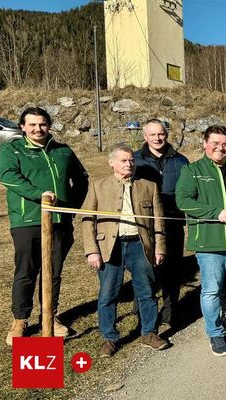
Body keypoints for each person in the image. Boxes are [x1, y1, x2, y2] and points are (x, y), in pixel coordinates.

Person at [0, 107, 89, 346]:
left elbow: (81, 178)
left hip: (60, 222)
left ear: (49, 125)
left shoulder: (62, 151)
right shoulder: (12, 150)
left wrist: (71, 206)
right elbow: (8, 176)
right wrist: (40, 196)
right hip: (27, 221)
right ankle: (20, 319)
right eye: (32, 125)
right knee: (26, 271)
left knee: (53, 272)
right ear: (22, 127)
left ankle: (50, 315)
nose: (38, 129)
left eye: (43, 124)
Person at [175, 125, 226, 356]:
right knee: (212, 290)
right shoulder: (192, 170)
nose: (220, 148)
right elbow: (183, 200)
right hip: (210, 242)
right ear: (205, 143)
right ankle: (215, 333)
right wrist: (215, 212)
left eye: (225, 144)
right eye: (216, 143)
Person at [81, 144, 169, 357]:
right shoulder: (97, 186)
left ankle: (149, 333)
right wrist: (92, 250)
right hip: (110, 248)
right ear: (112, 162)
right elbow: (86, 220)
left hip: (140, 246)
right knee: (107, 294)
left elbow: (159, 221)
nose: (129, 164)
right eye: (123, 160)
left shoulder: (149, 186)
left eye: (131, 160)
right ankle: (109, 338)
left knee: (147, 292)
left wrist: (159, 247)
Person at [133, 119, 189, 328]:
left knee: (173, 269)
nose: (157, 138)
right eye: (153, 135)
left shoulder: (181, 161)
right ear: (145, 137)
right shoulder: (136, 160)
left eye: (161, 134)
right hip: (145, 224)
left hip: (173, 222)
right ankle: (143, 311)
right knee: (146, 269)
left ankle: (170, 310)